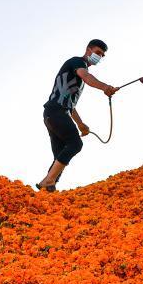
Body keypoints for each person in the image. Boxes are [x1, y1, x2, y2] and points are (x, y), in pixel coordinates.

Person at [37, 39, 117, 191]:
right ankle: (48, 181)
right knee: (75, 144)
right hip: (55, 111)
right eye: (98, 53)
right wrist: (105, 87)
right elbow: (87, 77)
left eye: (102, 55)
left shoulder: (76, 78)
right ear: (88, 50)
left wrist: (80, 124)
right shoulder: (77, 63)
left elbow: (71, 106)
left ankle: (44, 191)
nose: (99, 57)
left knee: (59, 157)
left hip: (54, 113)